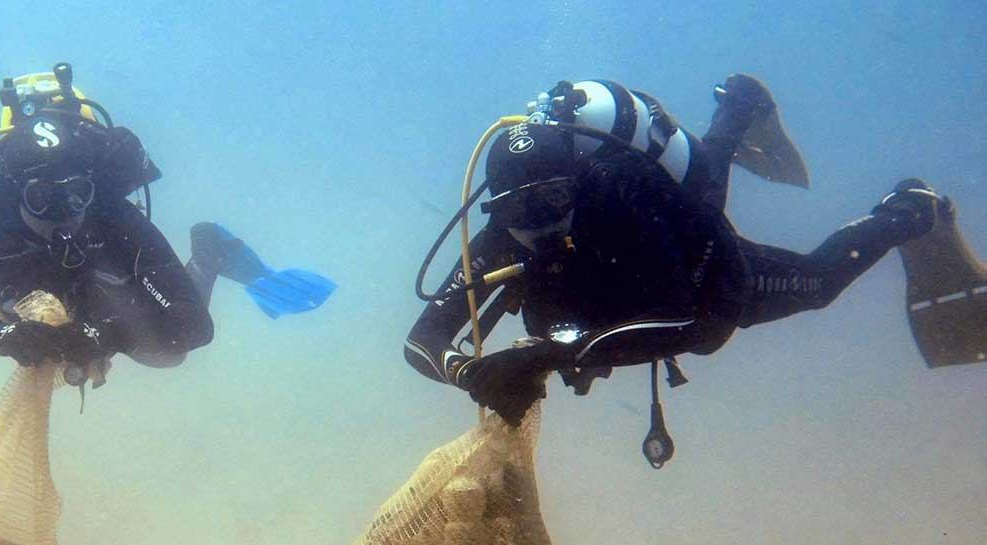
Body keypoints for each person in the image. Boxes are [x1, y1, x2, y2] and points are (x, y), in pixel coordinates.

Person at [405, 75, 982, 432]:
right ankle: (738, 104)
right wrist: (469, 371)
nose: (542, 221)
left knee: (816, 282)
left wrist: (549, 356)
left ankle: (909, 209)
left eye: (555, 199)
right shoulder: (500, 238)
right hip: (625, 297)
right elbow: (421, 342)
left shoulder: (620, 193)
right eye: (522, 212)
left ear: (577, 184)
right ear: (497, 211)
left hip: (707, 279)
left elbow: (690, 322)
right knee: (706, 180)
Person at [0, 64, 334, 378]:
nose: (65, 211)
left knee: (166, 356)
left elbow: (193, 323)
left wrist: (108, 335)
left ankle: (209, 251)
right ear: (11, 192)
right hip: (5, 295)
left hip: (95, 285)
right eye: (41, 197)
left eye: (77, 193)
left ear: (92, 185)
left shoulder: (109, 214)